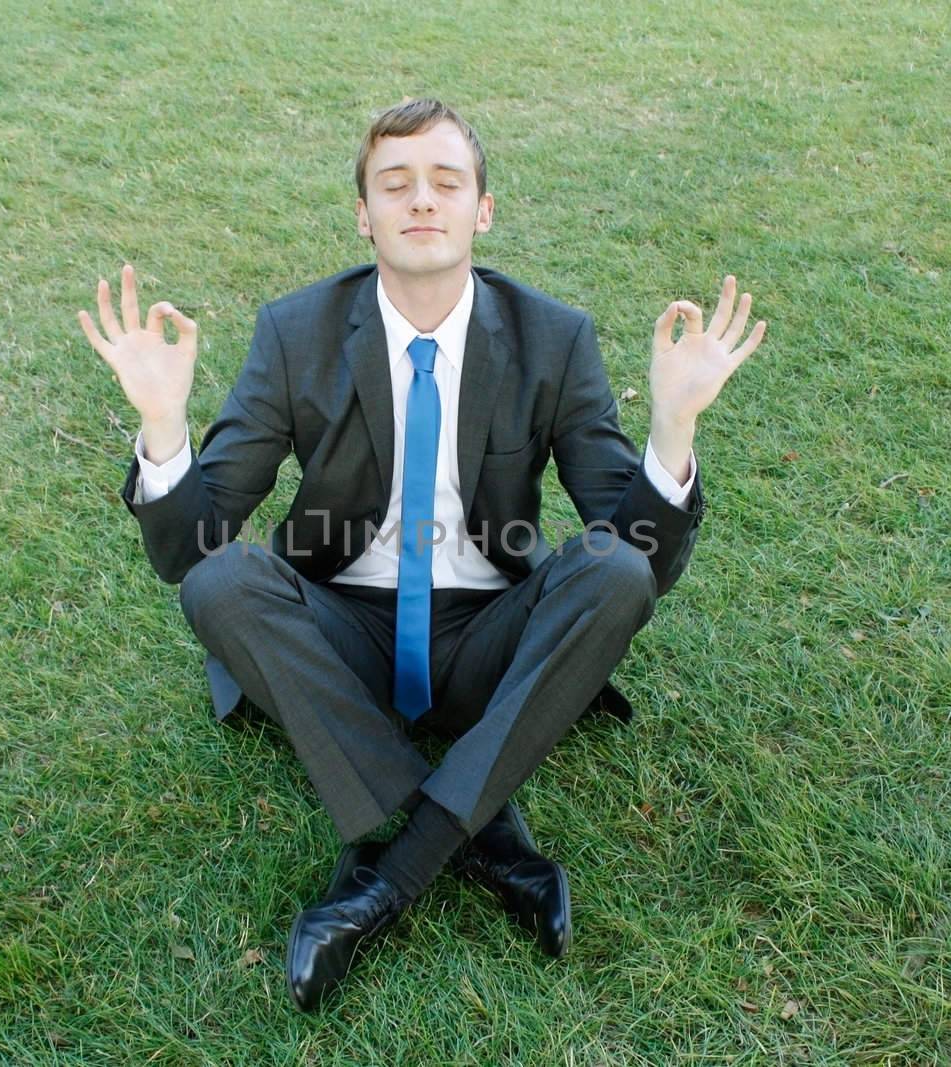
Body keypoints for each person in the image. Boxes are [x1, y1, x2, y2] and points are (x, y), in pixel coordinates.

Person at [76, 98, 765, 1011]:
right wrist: (164, 426)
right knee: (223, 579)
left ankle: (388, 876)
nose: (421, 201)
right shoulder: (297, 332)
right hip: (342, 639)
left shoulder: (553, 337)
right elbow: (190, 550)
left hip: (491, 635)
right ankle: (493, 840)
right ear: (363, 213)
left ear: (484, 209)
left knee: (612, 571)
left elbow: (638, 551)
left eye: (447, 182)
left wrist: (673, 431)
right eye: (394, 184)